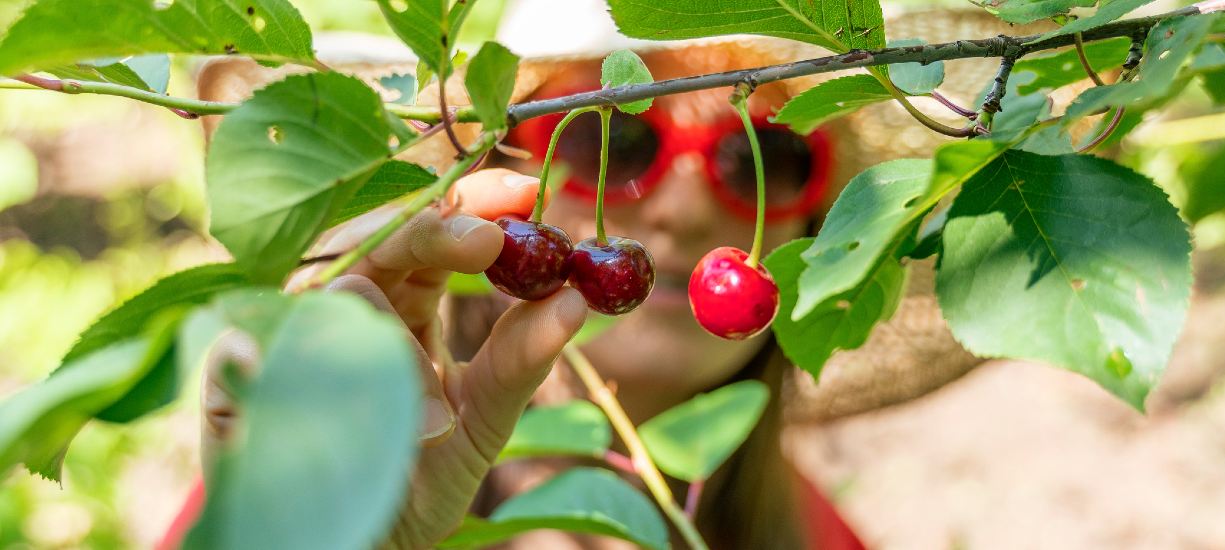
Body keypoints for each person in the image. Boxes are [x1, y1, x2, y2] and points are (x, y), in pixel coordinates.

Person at [167, 1, 1029, 548]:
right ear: (493, 168)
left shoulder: (821, 540)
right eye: (611, 140)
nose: (687, 212)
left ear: (820, 217)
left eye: (757, 155)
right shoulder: (317, 490)